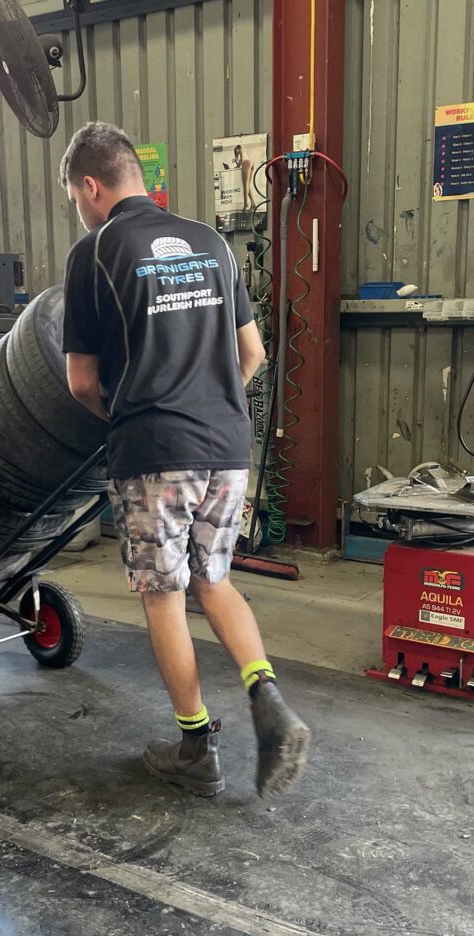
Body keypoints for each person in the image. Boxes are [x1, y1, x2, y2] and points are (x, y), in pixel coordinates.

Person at [58, 122, 310, 799]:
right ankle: (267, 693)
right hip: (227, 448)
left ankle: (196, 748)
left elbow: (82, 382)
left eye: (77, 198)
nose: (80, 211)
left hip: (154, 450)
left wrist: (140, 416)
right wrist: (213, 402)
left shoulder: (95, 251)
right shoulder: (211, 242)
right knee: (216, 578)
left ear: (91, 185)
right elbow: (252, 354)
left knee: (165, 596)